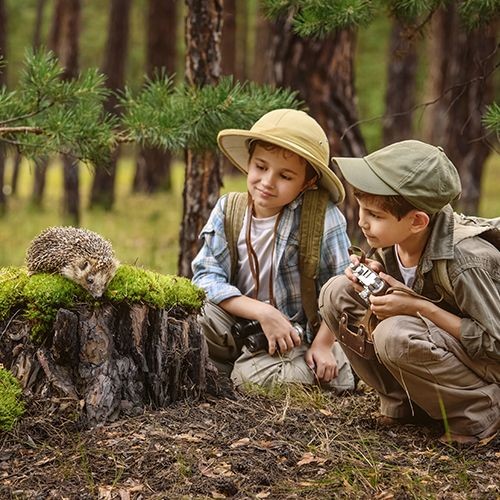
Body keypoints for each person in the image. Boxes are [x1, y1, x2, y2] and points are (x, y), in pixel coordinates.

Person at [318, 139, 500, 444]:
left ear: (417, 221)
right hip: (448, 352)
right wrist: (373, 280)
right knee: (338, 292)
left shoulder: (466, 261)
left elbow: (495, 343)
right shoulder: (394, 244)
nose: (362, 222)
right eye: (361, 209)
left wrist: (420, 308)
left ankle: (479, 411)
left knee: (394, 334)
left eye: (375, 216)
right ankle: (403, 404)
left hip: (486, 365)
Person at [192, 108, 355, 392]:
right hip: (243, 322)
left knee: (252, 380)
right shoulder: (228, 209)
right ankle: (240, 365)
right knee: (194, 316)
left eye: (285, 176)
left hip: (296, 334)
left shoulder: (321, 217)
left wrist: (323, 344)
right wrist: (262, 312)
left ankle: (324, 367)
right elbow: (205, 277)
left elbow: (343, 290)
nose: (267, 182)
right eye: (261, 167)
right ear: (249, 163)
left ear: (308, 182)